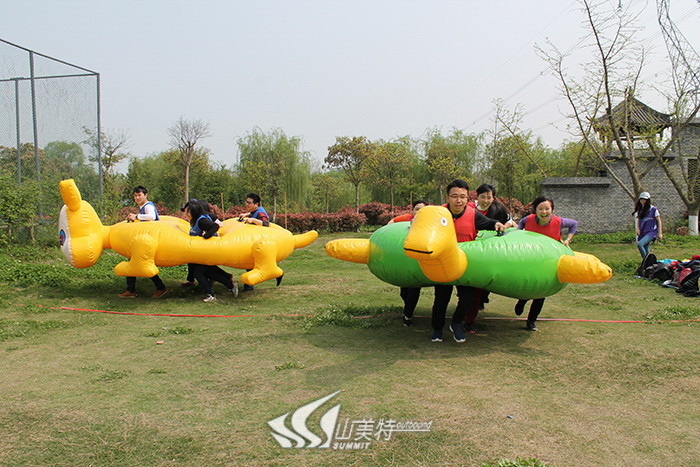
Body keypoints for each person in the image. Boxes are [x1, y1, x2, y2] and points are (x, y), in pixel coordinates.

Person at [431, 180, 505, 343]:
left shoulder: (473, 214)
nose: (458, 201)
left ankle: (457, 323)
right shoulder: (438, 213)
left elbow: (488, 223)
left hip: (465, 264)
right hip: (443, 264)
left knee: (468, 299)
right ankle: (437, 329)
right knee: (441, 299)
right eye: (454, 196)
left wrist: (496, 224)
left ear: (467, 198)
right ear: (448, 197)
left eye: (463, 197)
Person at [515, 195, 578, 331]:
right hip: (531, 260)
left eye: (547, 209)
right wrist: (519, 236)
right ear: (535, 210)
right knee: (528, 285)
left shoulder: (558, 222)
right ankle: (522, 300)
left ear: (552, 209)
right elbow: (520, 224)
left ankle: (531, 321)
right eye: (540, 209)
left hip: (549, 263)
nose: (544, 212)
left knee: (541, 293)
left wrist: (568, 239)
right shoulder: (529, 220)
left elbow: (574, 224)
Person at [468, 184, 516, 317]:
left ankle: (482, 298)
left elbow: (510, 221)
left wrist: (504, 226)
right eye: (482, 197)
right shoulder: (470, 208)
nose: (485, 201)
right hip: (472, 246)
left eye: (489, 197)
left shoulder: (498, 208)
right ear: (477, 197)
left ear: (493, 198)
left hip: (489, 249)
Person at [118, 186, 168, 298]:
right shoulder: (144, 207)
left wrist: (136, 216)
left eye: (139, 195)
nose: (137, 197)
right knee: (138, 263)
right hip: (147, 242)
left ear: (145, 195)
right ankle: (132, 289)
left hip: (148, 242)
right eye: (135, 196)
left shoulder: (148, 206)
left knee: (140, 263)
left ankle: (159, 287)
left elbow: (152, 216)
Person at [186, 201, 239, 302]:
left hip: (209, 251)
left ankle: (210, 294)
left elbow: (215, 226)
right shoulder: (195, 221)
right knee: (209, 272)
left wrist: (206, 236)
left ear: (194, 212)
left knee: (198, 274)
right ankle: (231, 285)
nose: (187, 214)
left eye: (188, 212)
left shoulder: (201, 220)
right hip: (202, 252)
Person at [387, 199, 428, 326]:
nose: (419, 211)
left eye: (422, 209)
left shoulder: (430, 222)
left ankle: (407, 314)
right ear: (412, 211)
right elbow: (392, 222)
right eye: (417, 209)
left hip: (419, 262)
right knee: (404, 292)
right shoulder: (407, 218)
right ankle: (409, 308)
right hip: (405, 262)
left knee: (414, 289)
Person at [239, 193, 270, 291]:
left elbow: (266, 223)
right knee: (249, 264)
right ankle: (248, 284)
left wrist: (253, 220)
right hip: (254, 240)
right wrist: (246, 215)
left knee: (250, 263)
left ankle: (249, 285)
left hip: (260, 242)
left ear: (256, 204)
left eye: (249, 203)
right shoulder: (255, 211)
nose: (246, 204)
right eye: (246, 202)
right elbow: (253, 214)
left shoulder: (260, 212)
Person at [633, 191, 663, 259]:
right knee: (646, 248)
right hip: (643, 231)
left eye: (644, 199)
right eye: (641, 199)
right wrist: (638, 229)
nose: (642, 201)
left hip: (652, 231)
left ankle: (645, 260)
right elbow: (638, 220)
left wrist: (660, 233)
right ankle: (649, 262)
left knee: (640, 244)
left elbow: (659, 221)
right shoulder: (641, 210)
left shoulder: (654, 209)